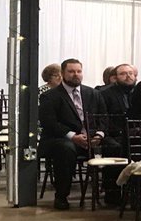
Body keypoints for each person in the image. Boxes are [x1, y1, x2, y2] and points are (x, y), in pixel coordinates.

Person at [39, 58, 101, 209]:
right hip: (59, 139)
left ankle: (114, 193)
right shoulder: (50, 96)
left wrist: (99, 135)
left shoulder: (93, 93)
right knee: (66, 149)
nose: (76, 74)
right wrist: (73, 136)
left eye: (79, 71)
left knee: (116, 144)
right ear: (62, 73)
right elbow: (50, 123)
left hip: (90, 138)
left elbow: (103, 117)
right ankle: (61, 196)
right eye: (71, 71)